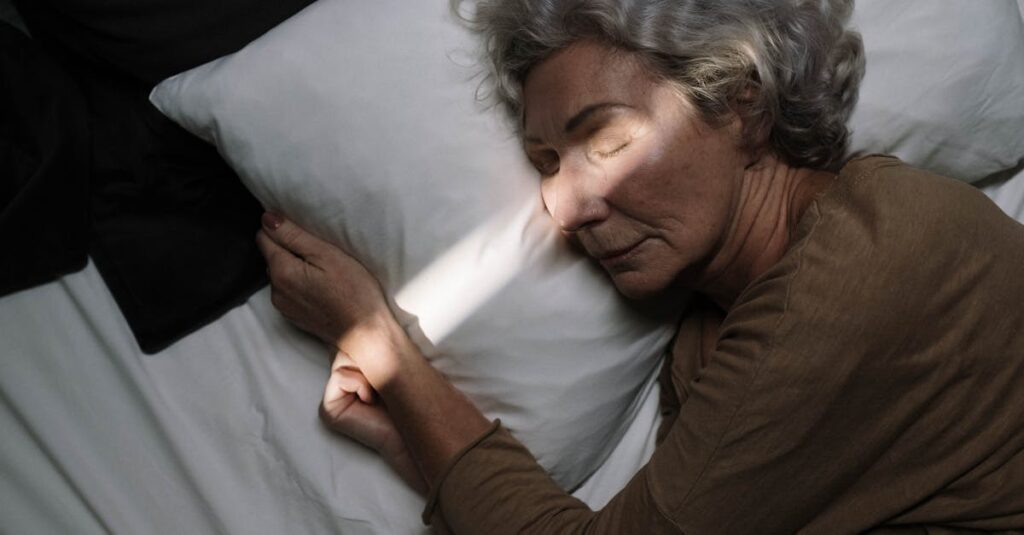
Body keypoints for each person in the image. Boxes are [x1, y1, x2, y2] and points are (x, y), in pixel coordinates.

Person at [255, 0, 1024, 532]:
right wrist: (409, 440)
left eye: (608, 141)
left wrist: (384, 347)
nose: (561, 204)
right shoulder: (706, 333)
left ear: (741, 106)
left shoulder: (866, 262)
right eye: (546, 162)